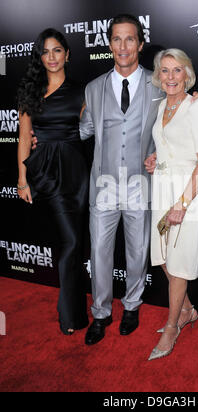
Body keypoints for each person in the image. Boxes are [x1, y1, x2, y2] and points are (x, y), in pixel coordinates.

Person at [79, 14, 165, 346]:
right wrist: (46, 134)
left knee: (137, 249)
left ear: (140, 44)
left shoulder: (158, 84)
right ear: (110, 44)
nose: (123, 46)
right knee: (99, 251)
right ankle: (100, 313)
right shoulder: (94, 87)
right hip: (102, 184)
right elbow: (84, 130)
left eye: (130, 39)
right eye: (117, 39)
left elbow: (171, 125)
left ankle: (132, 306)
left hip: (141, 182)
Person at [17, 28, 89, 336]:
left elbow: (96, 127)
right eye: (46, 52)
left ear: (67, 54)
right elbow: (23, 137)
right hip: (46, 171)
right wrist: (22, 179)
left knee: (75, 243)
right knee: (71, 242)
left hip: (77, 170)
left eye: (57, 50)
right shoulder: (29, 93)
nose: (52, 57)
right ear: (40, 57)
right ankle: (69, 314)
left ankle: (74, 310)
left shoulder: (82, 91)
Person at [147, 49, 198, 361]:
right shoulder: (161, 105)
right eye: (165, 71)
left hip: (187, 192)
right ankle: (187, 309)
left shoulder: (197, 106)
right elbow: (169, 145)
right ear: (158, 76)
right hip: (161, 189)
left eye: (177, 70)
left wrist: (183, 204)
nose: (171, 77)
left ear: (187, 74)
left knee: (179, 263)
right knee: (161, 258)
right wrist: (154, 157)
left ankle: (172, 325)